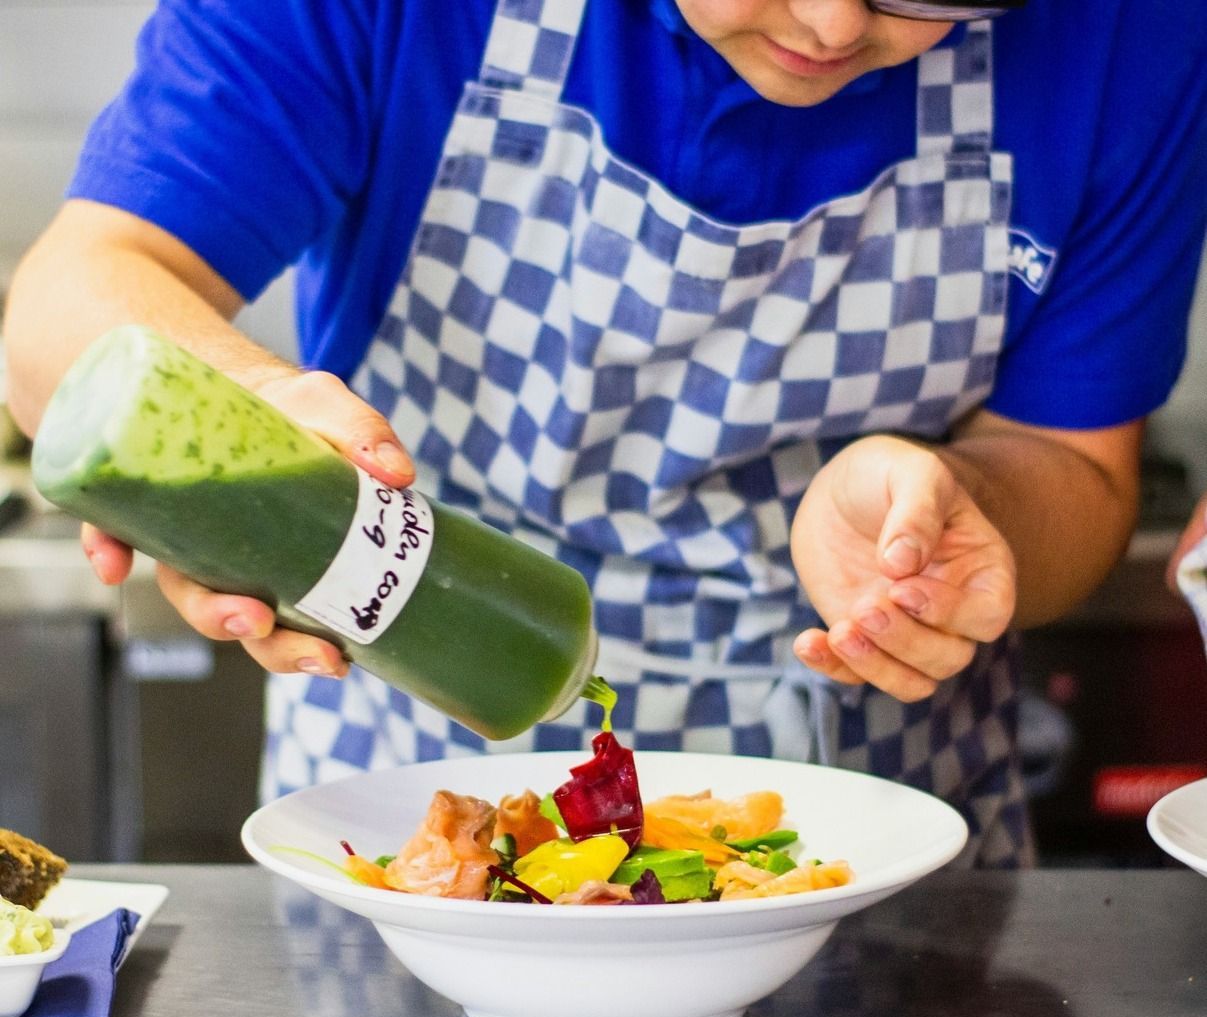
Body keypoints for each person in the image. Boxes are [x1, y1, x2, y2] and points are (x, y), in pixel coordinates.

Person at [5, 0, 1206, 869]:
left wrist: (955, 509)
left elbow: (1075, 468)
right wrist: (246, 435)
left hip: (872, 842)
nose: (835, 27)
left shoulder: (1130, 35)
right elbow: (72, 300)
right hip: (410, 793)